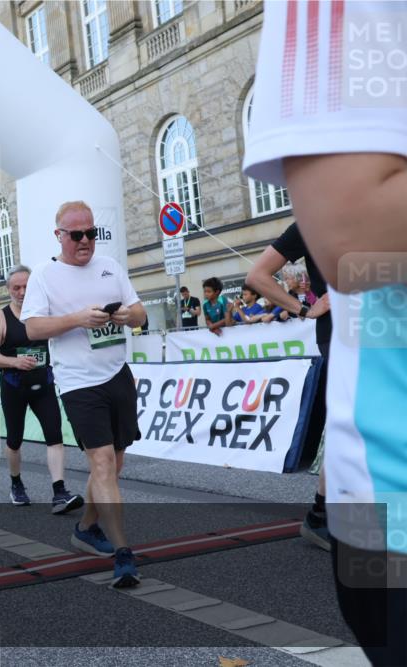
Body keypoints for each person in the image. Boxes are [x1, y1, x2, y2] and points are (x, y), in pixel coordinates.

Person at [245, 3, 407, 663]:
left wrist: (301, 302)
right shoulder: (305, 218)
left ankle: (320, 509)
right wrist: (300, 305)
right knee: (326, 426)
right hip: (388, 478)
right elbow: (337, 236)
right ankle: (324, 509)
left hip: (349, 330)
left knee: (322, 428)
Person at [22, 201, 147, 589]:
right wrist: (77, 319)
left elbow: (140, 312)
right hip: (78, 383)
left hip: (117, 375)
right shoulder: (44, 274)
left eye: (91, 233)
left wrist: (129, 316)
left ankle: (86, 527)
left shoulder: (110, 266)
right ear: (59, 235)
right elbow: (32, 330)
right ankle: (124, 555)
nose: (85, 241)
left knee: (113, 465)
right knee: (104, 464)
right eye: (76, 235)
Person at [246, 222, 332, 550]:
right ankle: (324, 517)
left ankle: (322, 515)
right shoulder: (312, 221)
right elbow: (257, 276)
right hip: (341, 333)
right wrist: (305, 309)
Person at [0, 264, 84, 514]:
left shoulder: (44, 312)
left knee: (55, 434)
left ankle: (59, 491)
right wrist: (14, 362)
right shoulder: (1, 317)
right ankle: (16, 483)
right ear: (8, 290)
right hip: (13, 385)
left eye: (26, 287)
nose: (21, 292)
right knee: (14, 440)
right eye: (16, 287)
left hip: (44, 382)